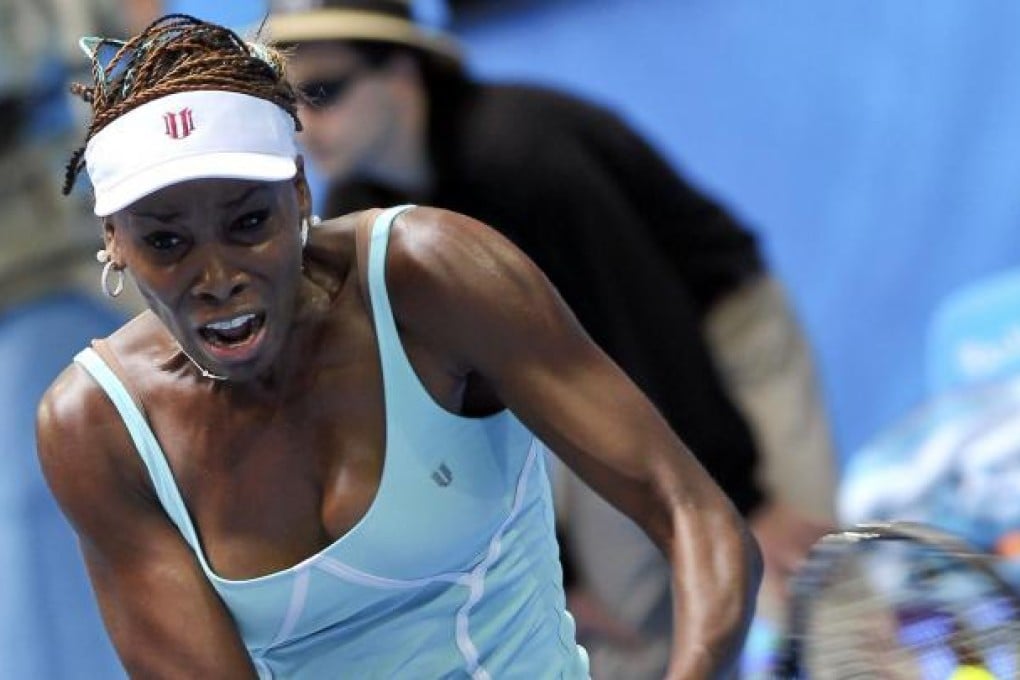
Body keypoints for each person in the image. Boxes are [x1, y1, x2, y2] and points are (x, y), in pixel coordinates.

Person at [36, 15, 760, 679]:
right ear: (114, 240)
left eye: (248, 223)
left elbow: (692, 513)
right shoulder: (95, 430)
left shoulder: (434, 274)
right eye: (167, 242)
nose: (218, 277)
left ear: (299, 194)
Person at [266, 0, 833, 672]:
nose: (305, 125)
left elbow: (647, 324)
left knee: (799, 584)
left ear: (402, 72)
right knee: (624, 621)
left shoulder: (527, 154)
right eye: (289, 103)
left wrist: (743, 501)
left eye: (323, 92)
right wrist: (563, 566)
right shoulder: (362, 213)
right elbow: (439, 412)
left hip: (710, 334)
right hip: (571, 377)